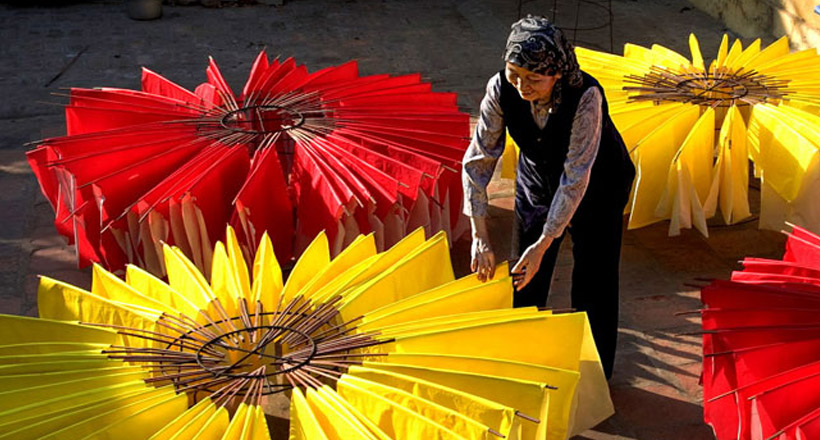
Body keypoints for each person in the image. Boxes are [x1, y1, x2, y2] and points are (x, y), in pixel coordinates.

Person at [461, 15, 635, 379]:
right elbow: (478, 161)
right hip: (537, 181)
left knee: (594, 282)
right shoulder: (500, 88)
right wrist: (479, 234)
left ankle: (594, 377)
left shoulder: (586, 97)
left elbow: (576, 178)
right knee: (524, 278)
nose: (522, 86)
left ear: (557, 72)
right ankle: (526, 366)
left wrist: (545, 242)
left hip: (598, 185)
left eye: (534, 79)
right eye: (515, 74)